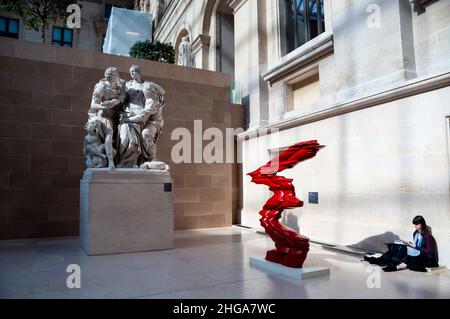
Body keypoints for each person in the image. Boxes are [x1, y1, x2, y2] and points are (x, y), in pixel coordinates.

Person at [364, 215, 439, 272]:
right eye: (414, 224)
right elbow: (417, 246)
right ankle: (381, 260)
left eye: (416, 224)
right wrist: (411, 245)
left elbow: (430, 251)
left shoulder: (427, 236)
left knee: (404, 249)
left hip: (426, 257)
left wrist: (415, 247)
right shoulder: (416, 233)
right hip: (418, 252)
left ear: (421, 224)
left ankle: (392, 264)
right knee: (398, 246)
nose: (415, 226)